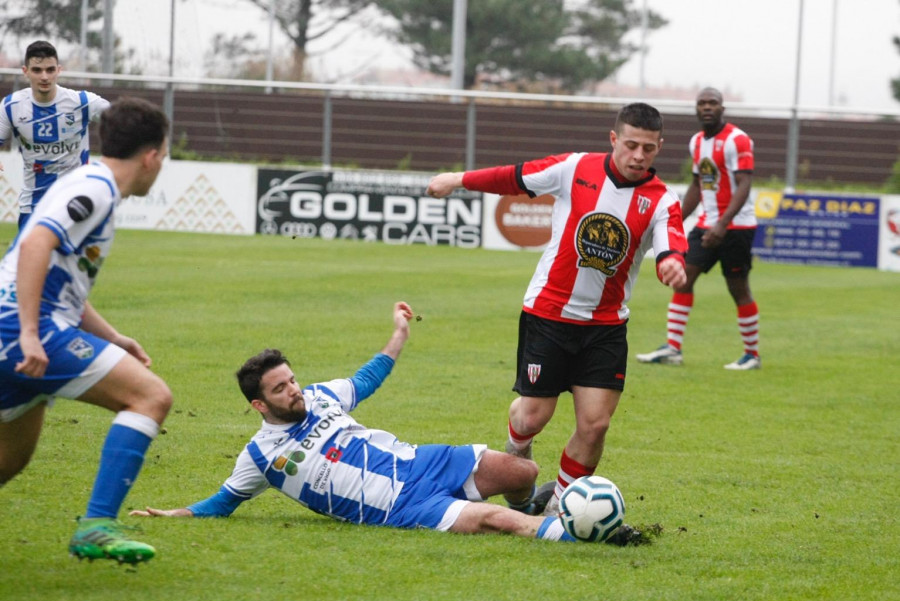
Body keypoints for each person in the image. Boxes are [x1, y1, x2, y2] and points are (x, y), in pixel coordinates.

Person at [131, 302, 641, 546]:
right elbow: (221, 505)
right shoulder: (262, 458)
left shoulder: (321, 396)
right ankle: (583, 535)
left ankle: (535, 501)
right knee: (494, 522)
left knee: (522, 473)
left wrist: (397, 332)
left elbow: (368, 377)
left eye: (291, 380)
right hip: (400, 504)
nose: (294, 390)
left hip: (420, 459)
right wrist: (173, 516)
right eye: (281, 389)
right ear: (260, 406)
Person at [425, 102, 688, 517]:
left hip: (605, 327)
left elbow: (671, 237)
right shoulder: (574, 168)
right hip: (548, 315)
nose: (639, 156)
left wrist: (671, 259)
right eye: (632, 145)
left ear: (660, 147)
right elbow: (514, 177)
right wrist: (458, 179)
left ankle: (558, 510)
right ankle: (518, 456)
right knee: (532, 417)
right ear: (614, 139)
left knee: (595, 424)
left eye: (649, 149)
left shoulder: (662, 200)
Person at [0, 97, 172, 565]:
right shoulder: (96, 188)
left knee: (9, 460)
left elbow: (63, 283)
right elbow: (36, 244)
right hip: (20, 327)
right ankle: (97, 525)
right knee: (150, 397)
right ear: (152, 156)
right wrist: (31, 334)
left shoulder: (91, 183)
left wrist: (112, 336)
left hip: (17, 323)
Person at [636, 87, 761, 370]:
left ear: (722, 108)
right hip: (707, 223)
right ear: (696, 108)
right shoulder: (696, 142)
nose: (707, 107)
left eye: (712, 103)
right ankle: (672, 348)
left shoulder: (737, 140)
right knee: (683, 277)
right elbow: (697, 186)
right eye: (702, 103)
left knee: (738, 287)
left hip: (736, 226)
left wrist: (723, 224)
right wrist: (674, 219)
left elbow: (745, 184)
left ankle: (752, 355)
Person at [0, 40, 110, 230]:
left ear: (59, 70)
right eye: (37, 70)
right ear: (25, 71)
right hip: (34, 202)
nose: (44, 76)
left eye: (50, 70)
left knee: (73, 260)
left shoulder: (81, 102)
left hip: (76, 200)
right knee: (31, 259)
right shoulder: (11, 107)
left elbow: (123, 119)